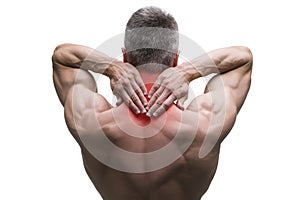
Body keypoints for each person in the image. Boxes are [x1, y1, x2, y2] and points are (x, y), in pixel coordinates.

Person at [52, 6, 252, 200]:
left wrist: (111, 67)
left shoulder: (91, 119)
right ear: (175, 59)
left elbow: (62, 57)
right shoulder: (205, 123)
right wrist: (187, 72)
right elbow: (243, 59)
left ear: (125, 56)